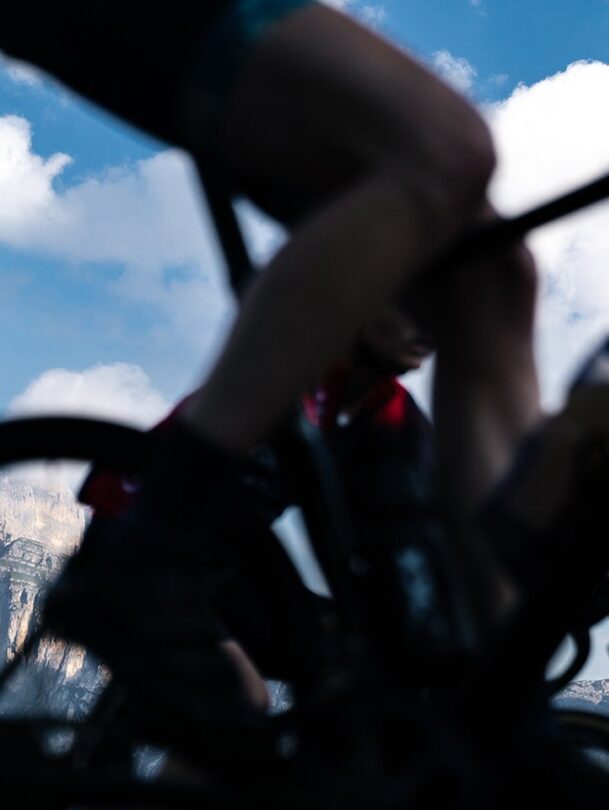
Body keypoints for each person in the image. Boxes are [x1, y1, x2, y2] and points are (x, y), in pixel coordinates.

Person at [0, 1, 542, 728]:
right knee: (452, 152)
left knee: (495, 273)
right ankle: (142, 562)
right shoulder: (326, 384)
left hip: (233, 559)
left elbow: (395, 546)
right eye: (402, 317)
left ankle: (512, 713)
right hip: (166, 532)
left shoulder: (382, 410)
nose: (422, 337)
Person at [68, 309, 440, 810]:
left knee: (359, 667)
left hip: (224, 563)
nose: (430, 330)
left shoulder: (389, 412)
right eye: (412, 305)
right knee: (243, 701)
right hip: (139, 543)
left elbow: (424, 529)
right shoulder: (299, 370)